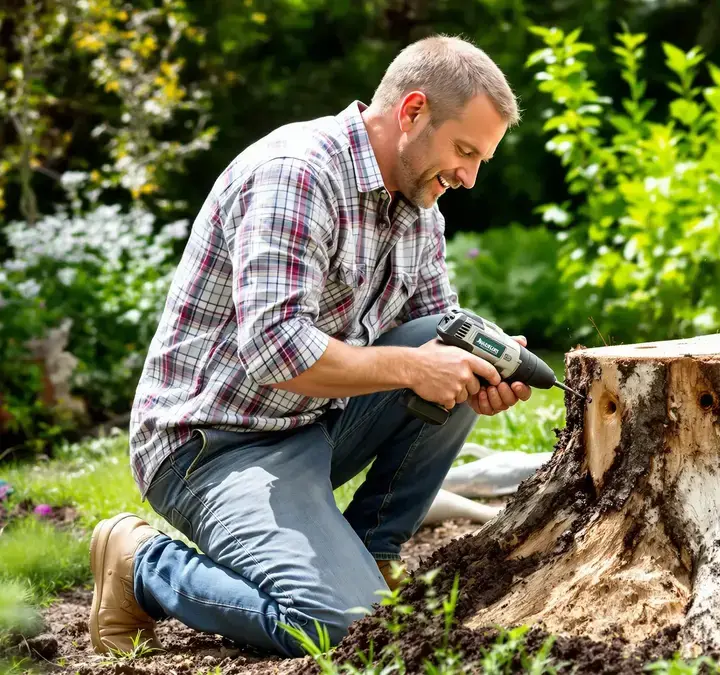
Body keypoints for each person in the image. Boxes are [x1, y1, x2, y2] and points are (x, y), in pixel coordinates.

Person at [87, 35, 529, 658]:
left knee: (456, 349)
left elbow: (436, 329)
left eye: (480, 159)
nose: (469, 177)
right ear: (412, 111)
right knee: (336, 627)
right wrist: (417, 367)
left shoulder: (419, 207)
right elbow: (275, 349)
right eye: (464, 151)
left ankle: (372, 554)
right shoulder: (297, 173)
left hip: (311, 424)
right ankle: (141, 564)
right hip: (213, 444)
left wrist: (481, 367)